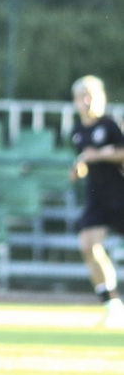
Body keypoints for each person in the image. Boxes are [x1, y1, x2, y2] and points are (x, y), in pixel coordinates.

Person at [70, 75, 124, 329]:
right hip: (97, 197)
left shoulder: (110, 125)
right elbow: (83, 160)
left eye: (90, 95)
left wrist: (100, 155)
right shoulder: (77, 132)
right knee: (88, 246)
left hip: (120, 195)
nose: (86, 100)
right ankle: (112, 304)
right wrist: (78, 169)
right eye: (82, 96)